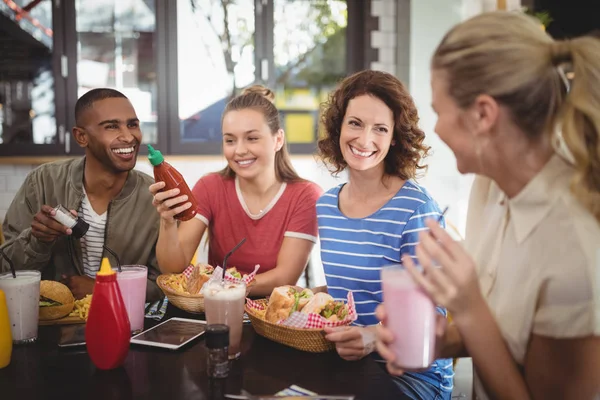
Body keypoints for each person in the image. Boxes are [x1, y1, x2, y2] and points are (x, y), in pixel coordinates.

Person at [375, 11, 600, 400]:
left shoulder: (575, 251)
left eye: (440, 110)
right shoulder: (487, 187)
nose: (437, 128)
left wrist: (468, 307)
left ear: (482, 114)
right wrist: (441, 340)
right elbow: (502, 336)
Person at [316, 70, 453, 400]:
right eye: (355, 123)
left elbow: (435, 316)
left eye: (380, 128)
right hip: (347, 362)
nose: (364, 140)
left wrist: (373, 336)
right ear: (339, 127)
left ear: (394, 137)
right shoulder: (325, 206)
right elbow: (346, 291)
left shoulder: (416, 208)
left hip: (412, 375)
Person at [151, 85, 321, 297]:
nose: (239, 150)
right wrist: (167, 222)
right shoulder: (210, 187)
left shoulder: (305, 196)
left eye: (252, 138)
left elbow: (284, 277)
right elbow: (172, 267)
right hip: (215, 310)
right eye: (230, 140)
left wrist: (224, 286)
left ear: (278, 139)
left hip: (270, 314)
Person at [0, 88, 163, 302]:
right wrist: (37, 240)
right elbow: (7, 271)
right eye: (112, 126)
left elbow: (164, 285)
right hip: (53, 325)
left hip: (126, 324)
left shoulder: (155, 197)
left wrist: (102, 288)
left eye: (132, 124)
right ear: (81, 136)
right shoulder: (42, 182)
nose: (128, 136)